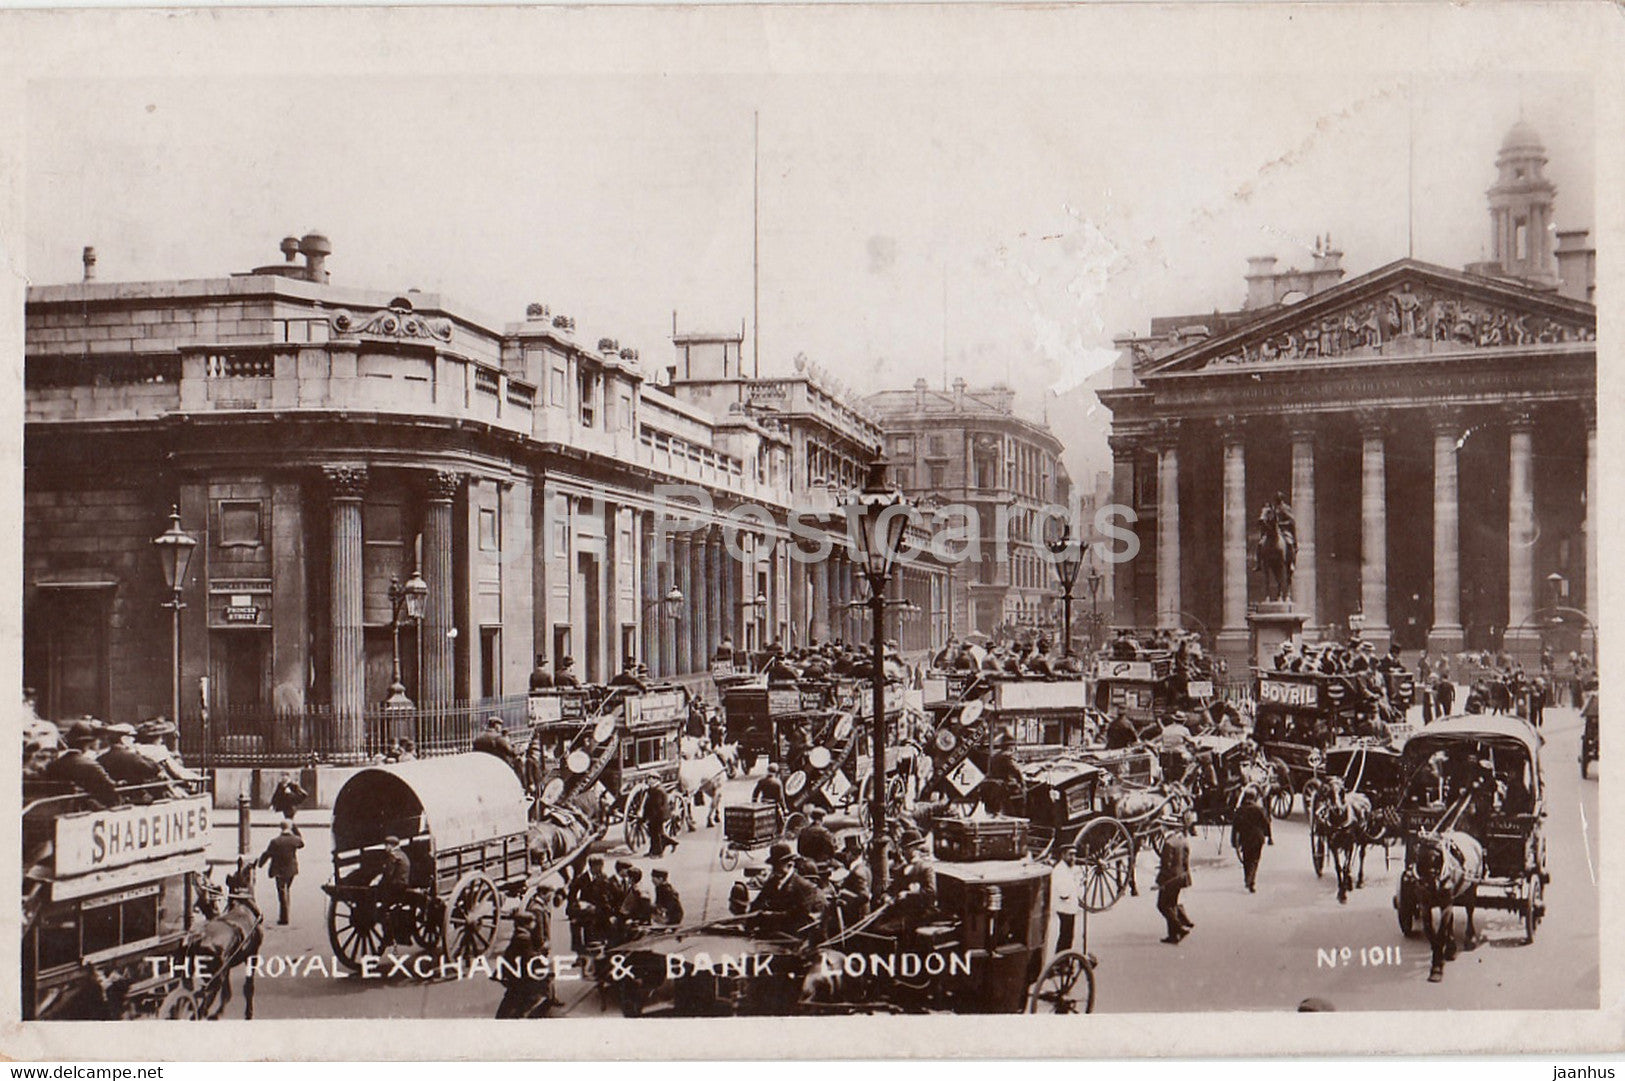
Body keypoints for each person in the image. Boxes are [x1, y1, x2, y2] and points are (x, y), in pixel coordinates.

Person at [751, 842, 826, 937]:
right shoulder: (772, 882)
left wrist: (768, 915)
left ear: (789, 864)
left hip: (794, 936)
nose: (775, 869)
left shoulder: (804, 886)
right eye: (774, 865)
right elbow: (757, 903)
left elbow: (799, 916)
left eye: (778, 865)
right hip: (770, 934)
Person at [494, 909, 555, 1018]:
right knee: (526, 993)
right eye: (533, 922)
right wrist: (541, 954)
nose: (535, 924)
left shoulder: (520, 934)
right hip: (519, 973)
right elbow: (529, 957)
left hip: (512, 970)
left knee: (512, 997)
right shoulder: (524, 938)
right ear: (527, 924)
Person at [47, 722, 123, 808]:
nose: (99, 742)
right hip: (83, 809)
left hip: (58, 808)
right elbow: (109, 788)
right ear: (89, 743)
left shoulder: (54, 765)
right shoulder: (90, 765)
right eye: (97, 739)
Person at [255, 819, 306, 925]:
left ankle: (284, 918)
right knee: (286, 890)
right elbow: (302, 843)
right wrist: (295, 828)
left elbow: (267, 854)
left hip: (279, 870)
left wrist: (260, 864)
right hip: (291, 870)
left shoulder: (275, 841)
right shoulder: (294, 840)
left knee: (282, 892)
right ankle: (286, 913)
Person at [98, 723, 164, 798]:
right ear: (124, 739)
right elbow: (154, 768)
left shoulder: (101, 758)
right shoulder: (133, 757)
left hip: (115, 797)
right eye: (131, 737)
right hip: (136, 797)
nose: (133, 740)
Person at [1230, 786, 1273, 893]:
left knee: (1246, 860)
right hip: (1258, 839)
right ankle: (1251, 880)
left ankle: (1247, 878)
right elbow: (1266, 824)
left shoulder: (1240, 811)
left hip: (1245, 839)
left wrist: (1233, 842)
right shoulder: (1259, 810)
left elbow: (1235, 828)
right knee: (1255, 860)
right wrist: (1269, 838)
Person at [566, 855, 611, 953]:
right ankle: (584, 951)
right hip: (586, 910)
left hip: (600, 909)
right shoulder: (582, 878)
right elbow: (572, 895)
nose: (601, 869)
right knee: (585, 927)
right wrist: (575, 907)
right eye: (599, 866)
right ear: (592, 866)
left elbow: (607, 894)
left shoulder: (603, 877)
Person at [1156, 829, 1193, 944]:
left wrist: (1159, 882)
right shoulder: (1183, 841)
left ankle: (1179, 928)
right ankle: (1173, 936)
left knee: (1162, 905)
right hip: (1180, 878)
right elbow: (1185, 862)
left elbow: (1166, 865)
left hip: (1169, 879)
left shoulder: (1168, 843)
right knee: (1171, 905)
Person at [378, 835, 414, 946]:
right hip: (402, 886)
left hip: (396, 888)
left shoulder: (393, 856)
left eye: (386, 845)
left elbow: (388, 875)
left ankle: (388, 936)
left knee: (381, 909)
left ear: (392, 845)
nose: (385, 848)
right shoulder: (402, 855)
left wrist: (378, 885)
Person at [1050, 845, 1082, 955]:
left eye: (1074, 855)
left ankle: (1063, 960)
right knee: (1066, 936)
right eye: (1070, 854)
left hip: (1069, 907)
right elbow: (1064, 893)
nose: (1073, 858)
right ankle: (1061, 961)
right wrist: (1076, 883)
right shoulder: (1060, 870)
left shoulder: (1068, 868)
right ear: (1063, 855)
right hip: (1065, 908)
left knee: (1067, 936)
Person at [643, 782, 676, 857]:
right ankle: (653, 849)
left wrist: (652, 817)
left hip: (658, 815)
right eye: (649, 779)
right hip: (653, 814)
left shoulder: (658, 790)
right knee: (654, 833)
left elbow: (657, 805)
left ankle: (658, 852)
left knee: (656, 834)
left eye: (651, 779)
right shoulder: (652, 790)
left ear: (656, 780)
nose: (649, 781)